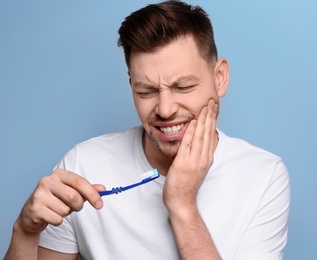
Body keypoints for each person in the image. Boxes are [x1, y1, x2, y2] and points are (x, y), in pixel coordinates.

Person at [5, 1, 290, 259]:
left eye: (184, 86)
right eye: (146, 91)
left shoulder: (263, 176)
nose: (165, 109)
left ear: (220, 78)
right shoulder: (83, 165)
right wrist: (25, 231)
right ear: (131, 87)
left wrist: (182, 205)